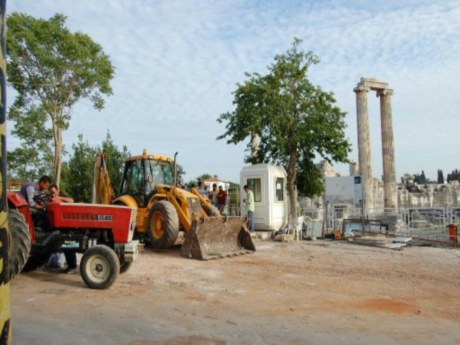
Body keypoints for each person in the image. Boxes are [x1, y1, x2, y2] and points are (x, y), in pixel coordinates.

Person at [48, 184, 78, 274]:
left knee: (70, 245)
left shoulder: (62, 196)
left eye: (53, 192)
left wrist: (58, 198)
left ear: (58, 190)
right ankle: (69, 266)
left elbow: (71, 200)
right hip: (58, 226)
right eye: (51, 193)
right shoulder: (50, 199)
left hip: (68, 225)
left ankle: (73, 266)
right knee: (65, 247)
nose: (52, 194)